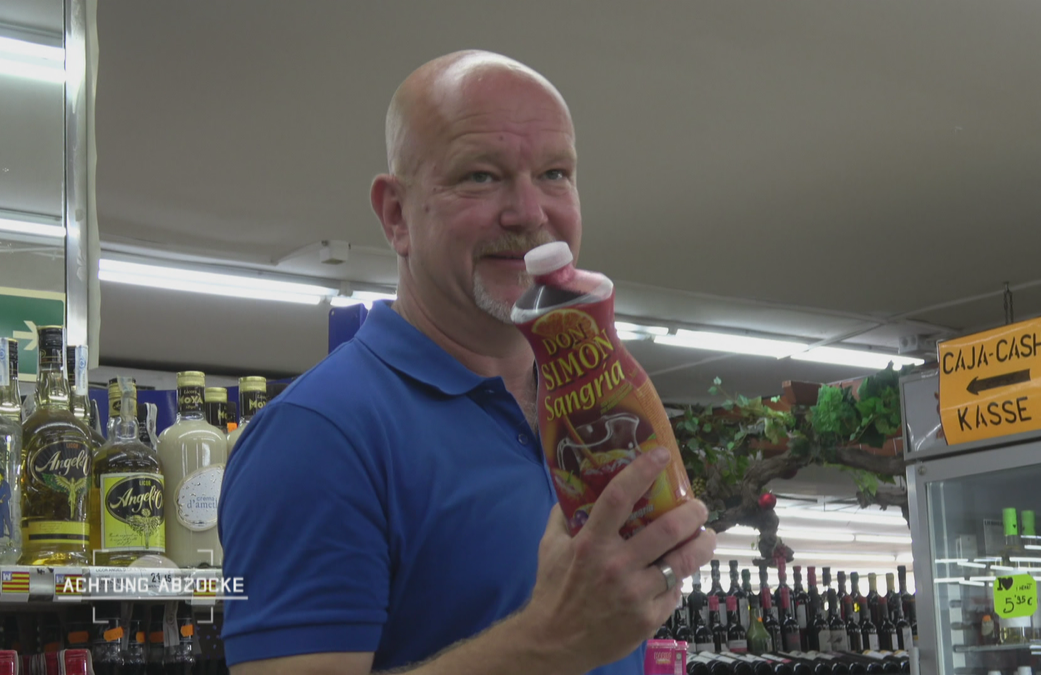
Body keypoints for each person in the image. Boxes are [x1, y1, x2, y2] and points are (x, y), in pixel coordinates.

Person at [219, 50, 716, 675]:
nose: (530, 212)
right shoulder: (317, 435)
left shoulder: (592, 405)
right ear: (396, 216)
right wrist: (549, 641)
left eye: (556, 173)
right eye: (481, 176)